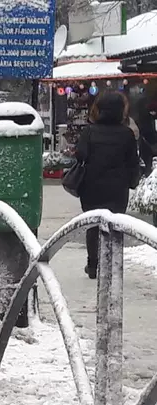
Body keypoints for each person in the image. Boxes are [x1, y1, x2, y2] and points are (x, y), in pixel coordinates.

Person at [73, 92, 140, 279]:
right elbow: (133, 162)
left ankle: (93, 264)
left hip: (91, 186)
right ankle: (112, 263)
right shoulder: (126, 134)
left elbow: (80, 155)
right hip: (118, 188)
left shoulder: (89, 131)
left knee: (93, 224)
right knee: (115, 224)